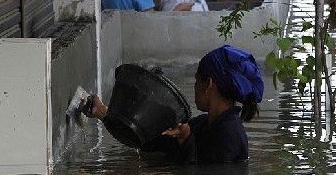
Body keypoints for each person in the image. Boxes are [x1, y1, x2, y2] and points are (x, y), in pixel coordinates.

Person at [82, 45, 264, 164]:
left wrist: (185, 140)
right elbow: (146, 141)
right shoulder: (202, 124)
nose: (194, 87)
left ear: (208, 84)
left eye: (196, 81)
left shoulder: (229, 135)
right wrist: (103, 113)